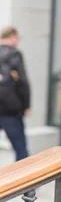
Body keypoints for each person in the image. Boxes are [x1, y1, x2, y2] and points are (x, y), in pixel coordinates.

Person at [0, 26, 30, 161]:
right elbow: (23, 82)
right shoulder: (14, 54)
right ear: (12, 36)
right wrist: (26, 105)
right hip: (10, 109)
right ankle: (22, 181)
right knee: (21, 149)